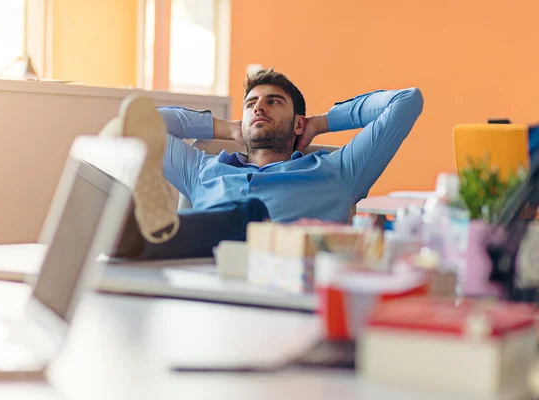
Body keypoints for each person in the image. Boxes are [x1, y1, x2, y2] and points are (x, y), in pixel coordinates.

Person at [101, 68, 424, 259]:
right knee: (120, 134)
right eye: (251, 104)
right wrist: (225, 128)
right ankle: (136, 233)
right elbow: (143, 122)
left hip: (287, 286)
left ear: (298, 123)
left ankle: (145, 234)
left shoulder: (338, 171)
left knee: (251, 215)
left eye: (273, 102)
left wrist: (321, 123)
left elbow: (405, 102)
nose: (259, 108)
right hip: (208, 286)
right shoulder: (205, 170)